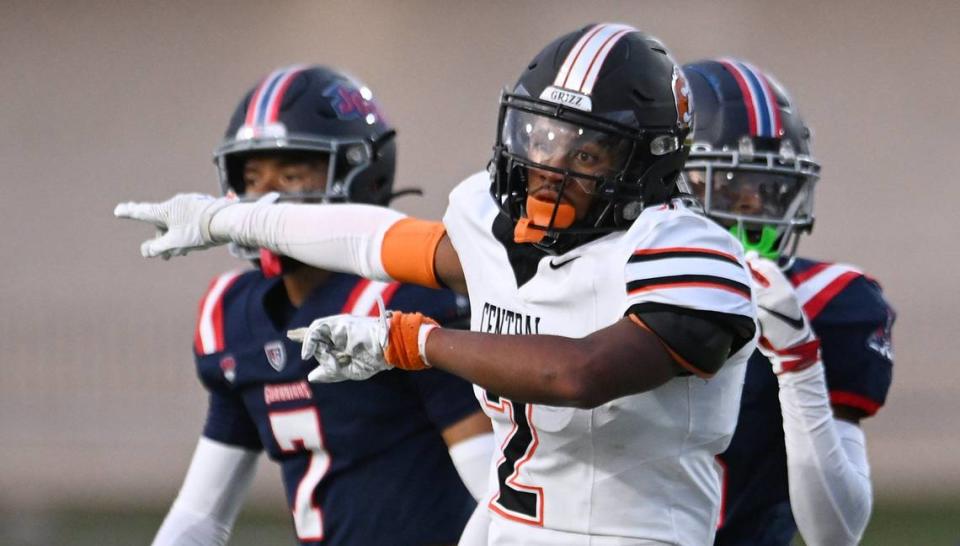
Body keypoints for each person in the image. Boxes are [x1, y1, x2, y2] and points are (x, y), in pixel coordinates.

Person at [117, 25, 759, 545]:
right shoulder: (496, 231)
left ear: (648, 162)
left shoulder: (689, 254)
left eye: (585, 154)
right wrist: (225, 216)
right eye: (541, 138)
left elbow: (579, 376)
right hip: (505, 526)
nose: (547, 167)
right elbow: (374, 239)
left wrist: (417, 344)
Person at [146, 65, 493, 546]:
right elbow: (201, 515)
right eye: (251, 178)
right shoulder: (232, 318)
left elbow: (496, 497)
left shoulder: (405, 299)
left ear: (363, 178)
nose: (261, 202)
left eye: (290, 175)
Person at [681, 58, 895, 546]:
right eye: (731, 186)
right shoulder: (591, 276)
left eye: (770, 186)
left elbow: (835, 533)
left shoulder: (827, 302)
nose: (756, 204)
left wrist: (800, 360)